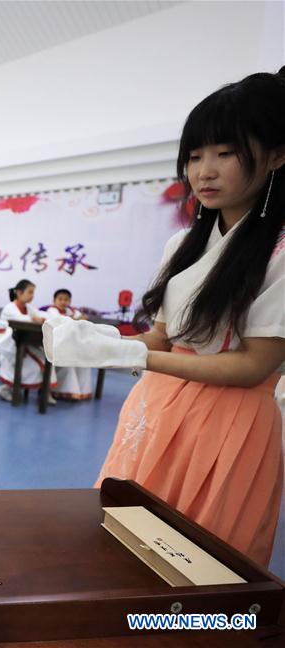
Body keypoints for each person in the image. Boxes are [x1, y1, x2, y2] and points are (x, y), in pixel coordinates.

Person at [78, 70, 284, 566]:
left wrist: (140, 358)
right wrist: (100, 340)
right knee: (126, 536)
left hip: (229, 421)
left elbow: (254, 366)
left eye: (225, 153)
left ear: (277, 155)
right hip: (158, 406)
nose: (203, 171)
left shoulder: (278, 251)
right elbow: (165, 338)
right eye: (194, 156)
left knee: (196, 560)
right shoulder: (183, 244)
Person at [0, 280, 56, 404]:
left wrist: (42, 318)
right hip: (9, 346)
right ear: (19, 292)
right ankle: (7, 388)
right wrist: (34, 318)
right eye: (30, 292)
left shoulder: (29, 308)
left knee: (47, 358)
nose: (32, 295)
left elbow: (40, 314)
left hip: (23, 343)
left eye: (33, 292)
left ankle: (44, 392)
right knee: (38, 362)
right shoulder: (9, 308)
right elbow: (20, 319)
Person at [45, 289, 94, 401]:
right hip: (55, 347)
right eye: (60, 299)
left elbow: (82, 320)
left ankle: (82, 392)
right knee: (70, 360)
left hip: (71, 346)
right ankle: (63, 391)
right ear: (54, 300)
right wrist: (77, 320)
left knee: (85, 362)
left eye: (66, 299)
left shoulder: (71, 311)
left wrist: (79, 319)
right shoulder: (51, 310)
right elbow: (62, 322)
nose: (63, 302)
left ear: (70, 301)